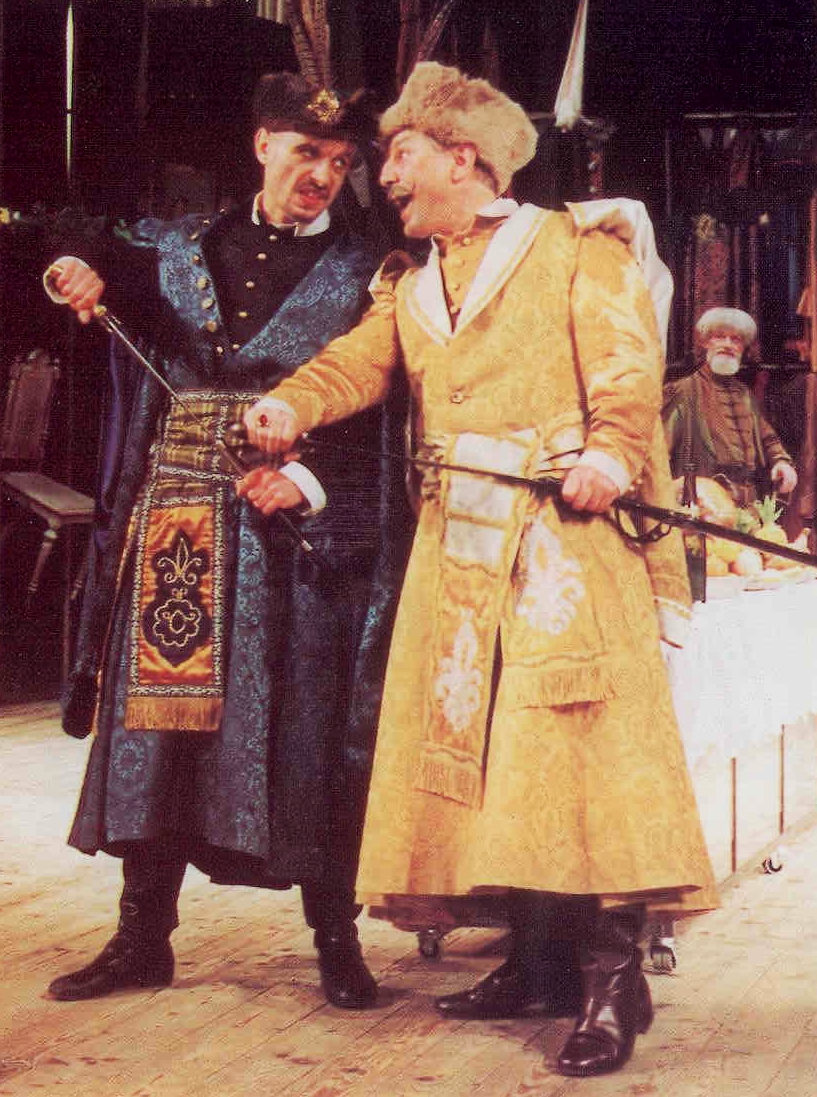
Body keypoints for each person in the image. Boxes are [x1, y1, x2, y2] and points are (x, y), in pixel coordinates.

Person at [241, 61, 719, 1077]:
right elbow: (358, 362)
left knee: (574, 758)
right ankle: (536, 960)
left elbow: (628, 365)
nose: (384, 175)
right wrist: (291, 402)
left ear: (462, 159)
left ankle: (608, 980)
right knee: (494, 758)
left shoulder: (573, 247)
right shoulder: (413, 283)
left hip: (562, 543)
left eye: (400, 154)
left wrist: (607, 454)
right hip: (456, 556)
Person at [44, 72, 413, 1010]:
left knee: (310, 730)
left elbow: (388, 415)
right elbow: (80, 238)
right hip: (177, 523)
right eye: (306, 154)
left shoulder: (377, 272)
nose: (321, 176)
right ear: (262, 146)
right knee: (159, 731)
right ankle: (142, 938)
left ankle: (336, 939)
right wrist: (75, 267)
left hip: (299, 535)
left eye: (341, 162)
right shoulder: (181, 245)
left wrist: (310, 477)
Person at [662, 306, 797, 505]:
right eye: (719, 337)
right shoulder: (683, 391)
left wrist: (781, 462)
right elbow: (660, 450)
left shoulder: (745, 394)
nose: (728, 344)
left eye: (736, 339)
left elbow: (767, 437)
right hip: (703, 502)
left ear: (743, 348)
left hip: (749, 502)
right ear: (705, 342)